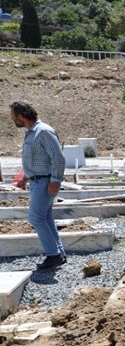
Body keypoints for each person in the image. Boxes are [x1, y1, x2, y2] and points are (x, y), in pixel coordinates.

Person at [10, 101, 67, 271]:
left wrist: (55, 180)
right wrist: (26, 178)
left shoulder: (43, 131)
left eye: (14, 116)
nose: (13, 119)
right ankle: (59, 253)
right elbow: (37, 160)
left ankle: (53, 255)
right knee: (45, 218)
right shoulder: (31, 133)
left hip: (45, 182)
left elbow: (58, 158)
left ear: (21, 116)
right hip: (37, 181)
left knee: (35, 218)